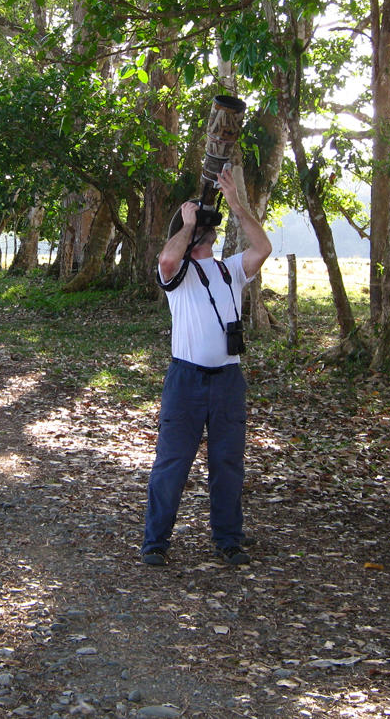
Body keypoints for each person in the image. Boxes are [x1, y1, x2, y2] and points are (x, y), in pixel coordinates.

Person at [141, 167, 273, 567]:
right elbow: (166, 256)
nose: (206, 226)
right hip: (186, 380)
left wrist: (235, 204)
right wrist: (186, 224)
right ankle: (155, 542)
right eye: (202, 226)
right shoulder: (177, 274)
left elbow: (263, 247)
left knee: (229, 463)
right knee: (172, 462)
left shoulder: (229, 269)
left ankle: (229, 539)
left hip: (228, 380)